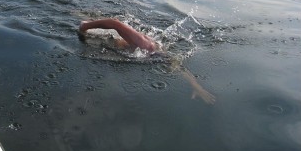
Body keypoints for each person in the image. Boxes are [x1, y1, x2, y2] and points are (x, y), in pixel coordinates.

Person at [79, 18, 216, 105]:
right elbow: (115, 23)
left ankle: (87, 20)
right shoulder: (147, 46)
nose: (169, 63)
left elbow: (179, 67)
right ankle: (85, 21)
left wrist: (196, 86)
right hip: (105, 34)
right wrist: (85, 27)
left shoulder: (156, 52)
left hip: (117, 41)